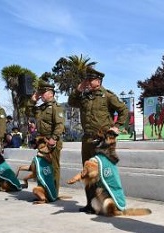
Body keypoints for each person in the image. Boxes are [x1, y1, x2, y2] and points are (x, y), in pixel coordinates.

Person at [68, 68, 128, 213]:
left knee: (104, 173)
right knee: (87, 172)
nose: (87, 82)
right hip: (87, 139)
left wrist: (117, 127)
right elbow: (71, 102)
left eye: (90, 80)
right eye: (86, 79)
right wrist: (77, 90)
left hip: (103, 141)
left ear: (98, 81)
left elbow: (123, 110)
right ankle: (91, 204)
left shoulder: (107, 96)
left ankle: (110, 203)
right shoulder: (84, 97)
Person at [29, 80, 65, 193]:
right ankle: (46, 189)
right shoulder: (41, 108)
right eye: (40, 92)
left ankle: (54, 192)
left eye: (43, 92)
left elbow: (60, 124)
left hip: (52, 141)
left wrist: (53, 138)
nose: (41, 94)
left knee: (54, 166)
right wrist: (33, 100)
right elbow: (28, 112)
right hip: (42, 141)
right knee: (44, 166)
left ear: (51, 93)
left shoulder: (56, 107)